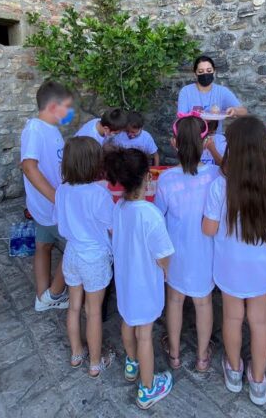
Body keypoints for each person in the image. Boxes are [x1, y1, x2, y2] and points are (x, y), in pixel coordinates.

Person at [203, 116, 266, 406]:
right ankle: (257, 381)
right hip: (263, 267)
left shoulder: (221, 186)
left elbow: (209, 228)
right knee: (258, 323)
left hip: (230, 266)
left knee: (232, 318)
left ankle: (233, 371)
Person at [105, 148, 175, 410]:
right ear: (148, 176)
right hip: (144, 284)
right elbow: (164, 254)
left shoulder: (120, 207)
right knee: (145, 334)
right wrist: (166, 270)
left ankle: (132, 363)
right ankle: (147, 389)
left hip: (125, 282)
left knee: (127, 322)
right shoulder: (150, 214)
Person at [154, 114, 219, 373]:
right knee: (204, 303)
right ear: (205, 143)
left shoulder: (167, 179)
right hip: (205, 251)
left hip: (176, 253)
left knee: (175, 301)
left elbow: (159, 217)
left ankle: (175, 354)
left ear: (173, 142)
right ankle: (203, 357)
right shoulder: (215, 174)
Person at [55, 137, 115, 377]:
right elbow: (112, 227)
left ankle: (77, 353)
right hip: (94, 258)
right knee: (93, 312)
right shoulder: (99, 194)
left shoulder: (62, 190)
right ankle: (95, 362)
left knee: (73, 307)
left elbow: (60, 222)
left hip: (71, 254)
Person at [20, 81, 74, 312]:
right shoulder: (35, 128)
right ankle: (55, 292)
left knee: (43, 246)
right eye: (67, 107)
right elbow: (29, 166)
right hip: (51, 206)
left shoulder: (51, 130)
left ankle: (42, 297)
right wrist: (58, 199)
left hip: (47, 205)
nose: (70, 113)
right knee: (74, 245)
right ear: (53, 106)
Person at [177, 55, 247, 132]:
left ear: (214, 71)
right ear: (195, 74)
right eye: (201, 71)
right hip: (192, 135)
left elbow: (244, 111)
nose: (205, 74)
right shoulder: (186, 91)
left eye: (209, 71)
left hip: (214, 136)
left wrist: (235, 110)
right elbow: (182, 118)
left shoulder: (222, 91)